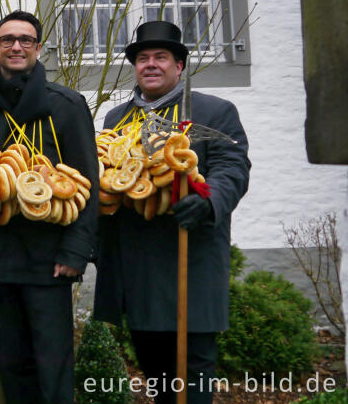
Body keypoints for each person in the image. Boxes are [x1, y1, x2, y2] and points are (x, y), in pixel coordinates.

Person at [93, 20, 250, 404]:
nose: (150, 64)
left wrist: (210, 201)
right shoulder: (116, 120)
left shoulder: (214, 112)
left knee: (192, 378)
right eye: (142, 58)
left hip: (188, 263)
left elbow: (233, 167)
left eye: (161, 57)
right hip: (138, 269)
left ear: (179, 66)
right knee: (157, 375)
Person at [0, 10, 99, 404]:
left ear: (37, 48)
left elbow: (89, 182)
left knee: (52, 364)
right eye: (7, 40)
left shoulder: (67, 104)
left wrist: (75, 251)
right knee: (11, 361)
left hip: (48, 256)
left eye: (25, 40)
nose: (16, 46)